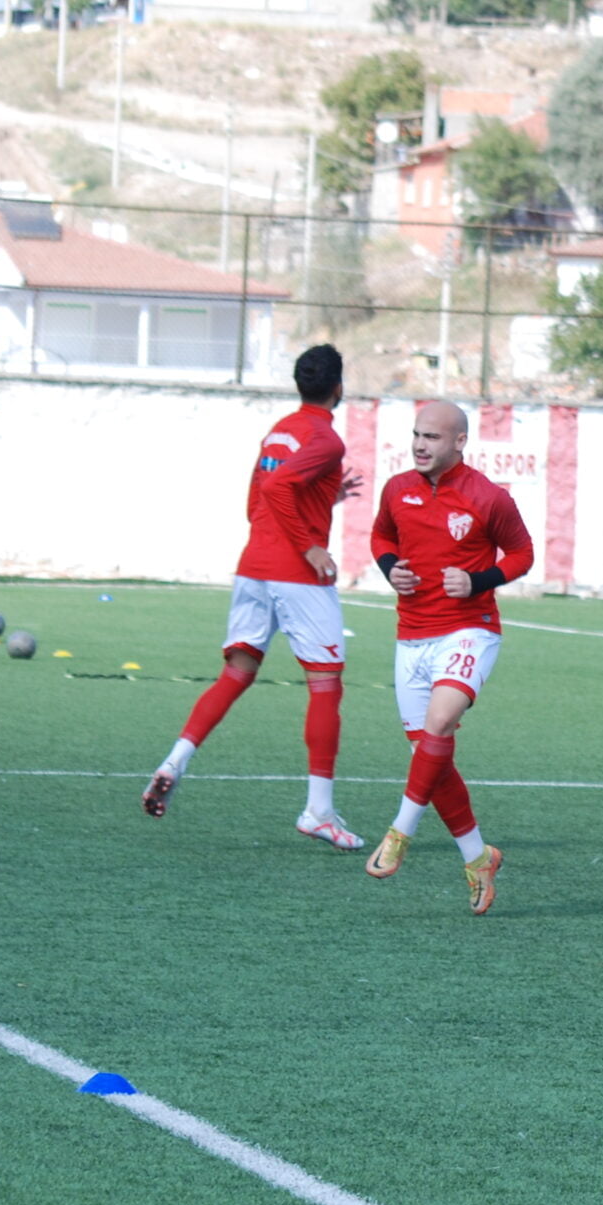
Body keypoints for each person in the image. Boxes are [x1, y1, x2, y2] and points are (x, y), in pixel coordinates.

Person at [142, 343, 366, 848]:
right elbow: (276, 490)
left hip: (253, 568)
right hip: (296, 575)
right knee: (326, 687)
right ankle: (319, 811)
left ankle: (173, 761)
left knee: (237, 674)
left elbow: (258, 499)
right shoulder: (327, 440)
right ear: (339, 386)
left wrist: (324, 500)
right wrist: (310, 545)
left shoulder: (279, 430)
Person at [362, 400, 533, 916]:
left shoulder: (488, 497)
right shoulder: (397, 489)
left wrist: (479, 580)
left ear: (459, 441)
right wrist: (390, 567)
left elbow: (522, 553)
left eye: (432, 437)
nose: (420, 444)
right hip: (411, 636)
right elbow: (381, 534)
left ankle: (399, 832)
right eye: (416, 434)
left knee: (438, 725)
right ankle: (478, 858)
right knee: (432, 761)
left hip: (469, 631)